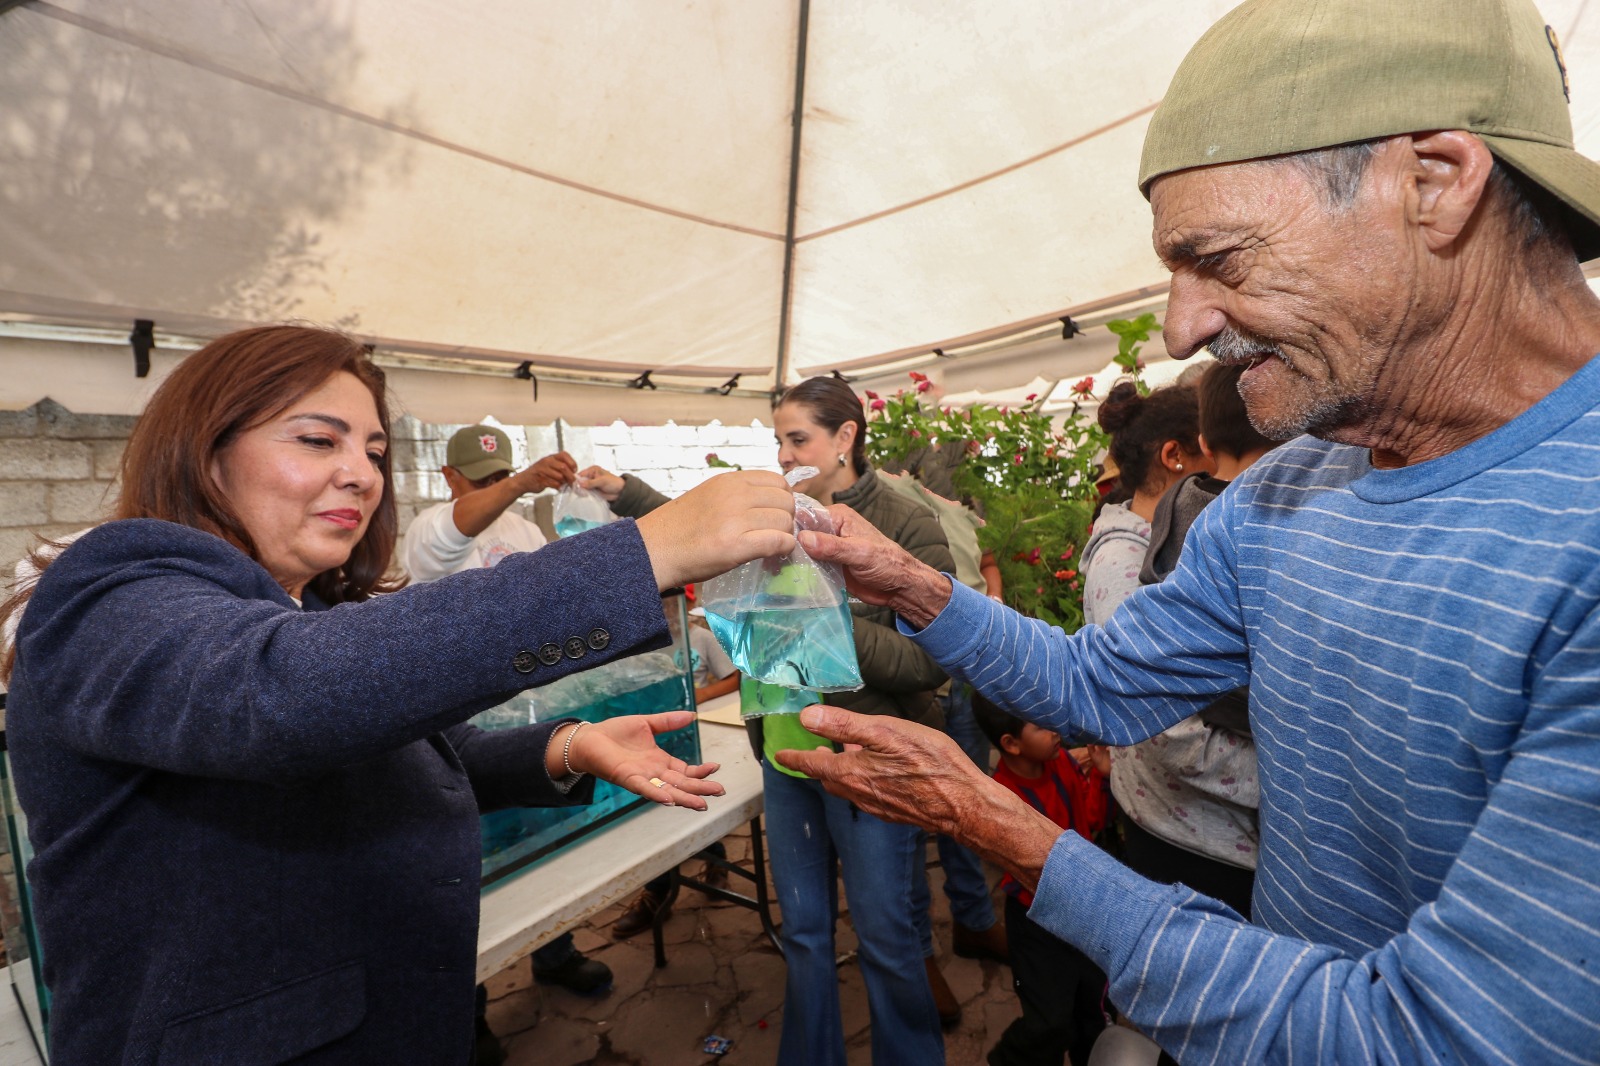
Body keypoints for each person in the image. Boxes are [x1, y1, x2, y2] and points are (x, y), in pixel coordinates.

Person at [773, 1, 1600, 1062]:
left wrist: (1013, 836)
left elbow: (1429, 1037)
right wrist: (905, 581)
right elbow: (1095, 684)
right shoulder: (1290, 489)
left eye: (1220, 259)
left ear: (1433, 183)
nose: (1181, 327)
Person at [0, 325, 797, 1064]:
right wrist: (639, 554)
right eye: (318, 440)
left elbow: (406, 759)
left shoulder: (301, 609)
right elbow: (281, 698)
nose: (362, 473)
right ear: (205, 454)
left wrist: (562, 746)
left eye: (375, 451)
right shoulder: (108, 588)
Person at [582, 375, 955, 1064]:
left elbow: (927, 662)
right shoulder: (775, 516)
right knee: (806, 936)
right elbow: (690, 529)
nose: (784, 455)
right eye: (778, 440)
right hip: (785, 760)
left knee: (887, 939)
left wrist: (823, 614)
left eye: (798, 438)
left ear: (845, 438)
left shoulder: (903, 523)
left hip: (865, 760)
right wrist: (623, 492)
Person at [400, 423, 614, 1004]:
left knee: (544, 835)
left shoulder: (523, 528)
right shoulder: (427, 529)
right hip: (464, 724)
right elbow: (458, 528)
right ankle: (469, 1005)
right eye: (484, 480)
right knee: (473, 857)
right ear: (450, 478)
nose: (498, 489)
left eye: (503, 475)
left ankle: (556, 953)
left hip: (531, 711)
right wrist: (520, 482)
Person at [1081, 378, 1257, 918]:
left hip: (1219, 828)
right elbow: (1166, 730)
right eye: (1218, 459)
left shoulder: (1178, 538)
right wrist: (1291, 780)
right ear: (1177, 455)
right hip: (1192, 837)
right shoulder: (1122, 567)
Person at [973, 694, 1109, 1066]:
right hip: (1038, 924)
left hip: (1083, 916)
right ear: (1011, 744)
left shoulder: (1063, 762)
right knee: (1048, 1023)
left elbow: (1089, 825)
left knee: (1093, 1013)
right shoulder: (1001, 799)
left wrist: (1099, 774)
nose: (1055, 731)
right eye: (1040, 725)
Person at [610, 596, 738, 940]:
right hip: (652, 739)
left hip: (695, 732)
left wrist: (698, 698)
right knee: (656, 810)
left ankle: (716, 857)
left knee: (696, 795)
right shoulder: (639, 647)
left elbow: (734, 677)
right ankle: (658, 888)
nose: (665, 612)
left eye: (671, 604)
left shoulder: (701, 638)